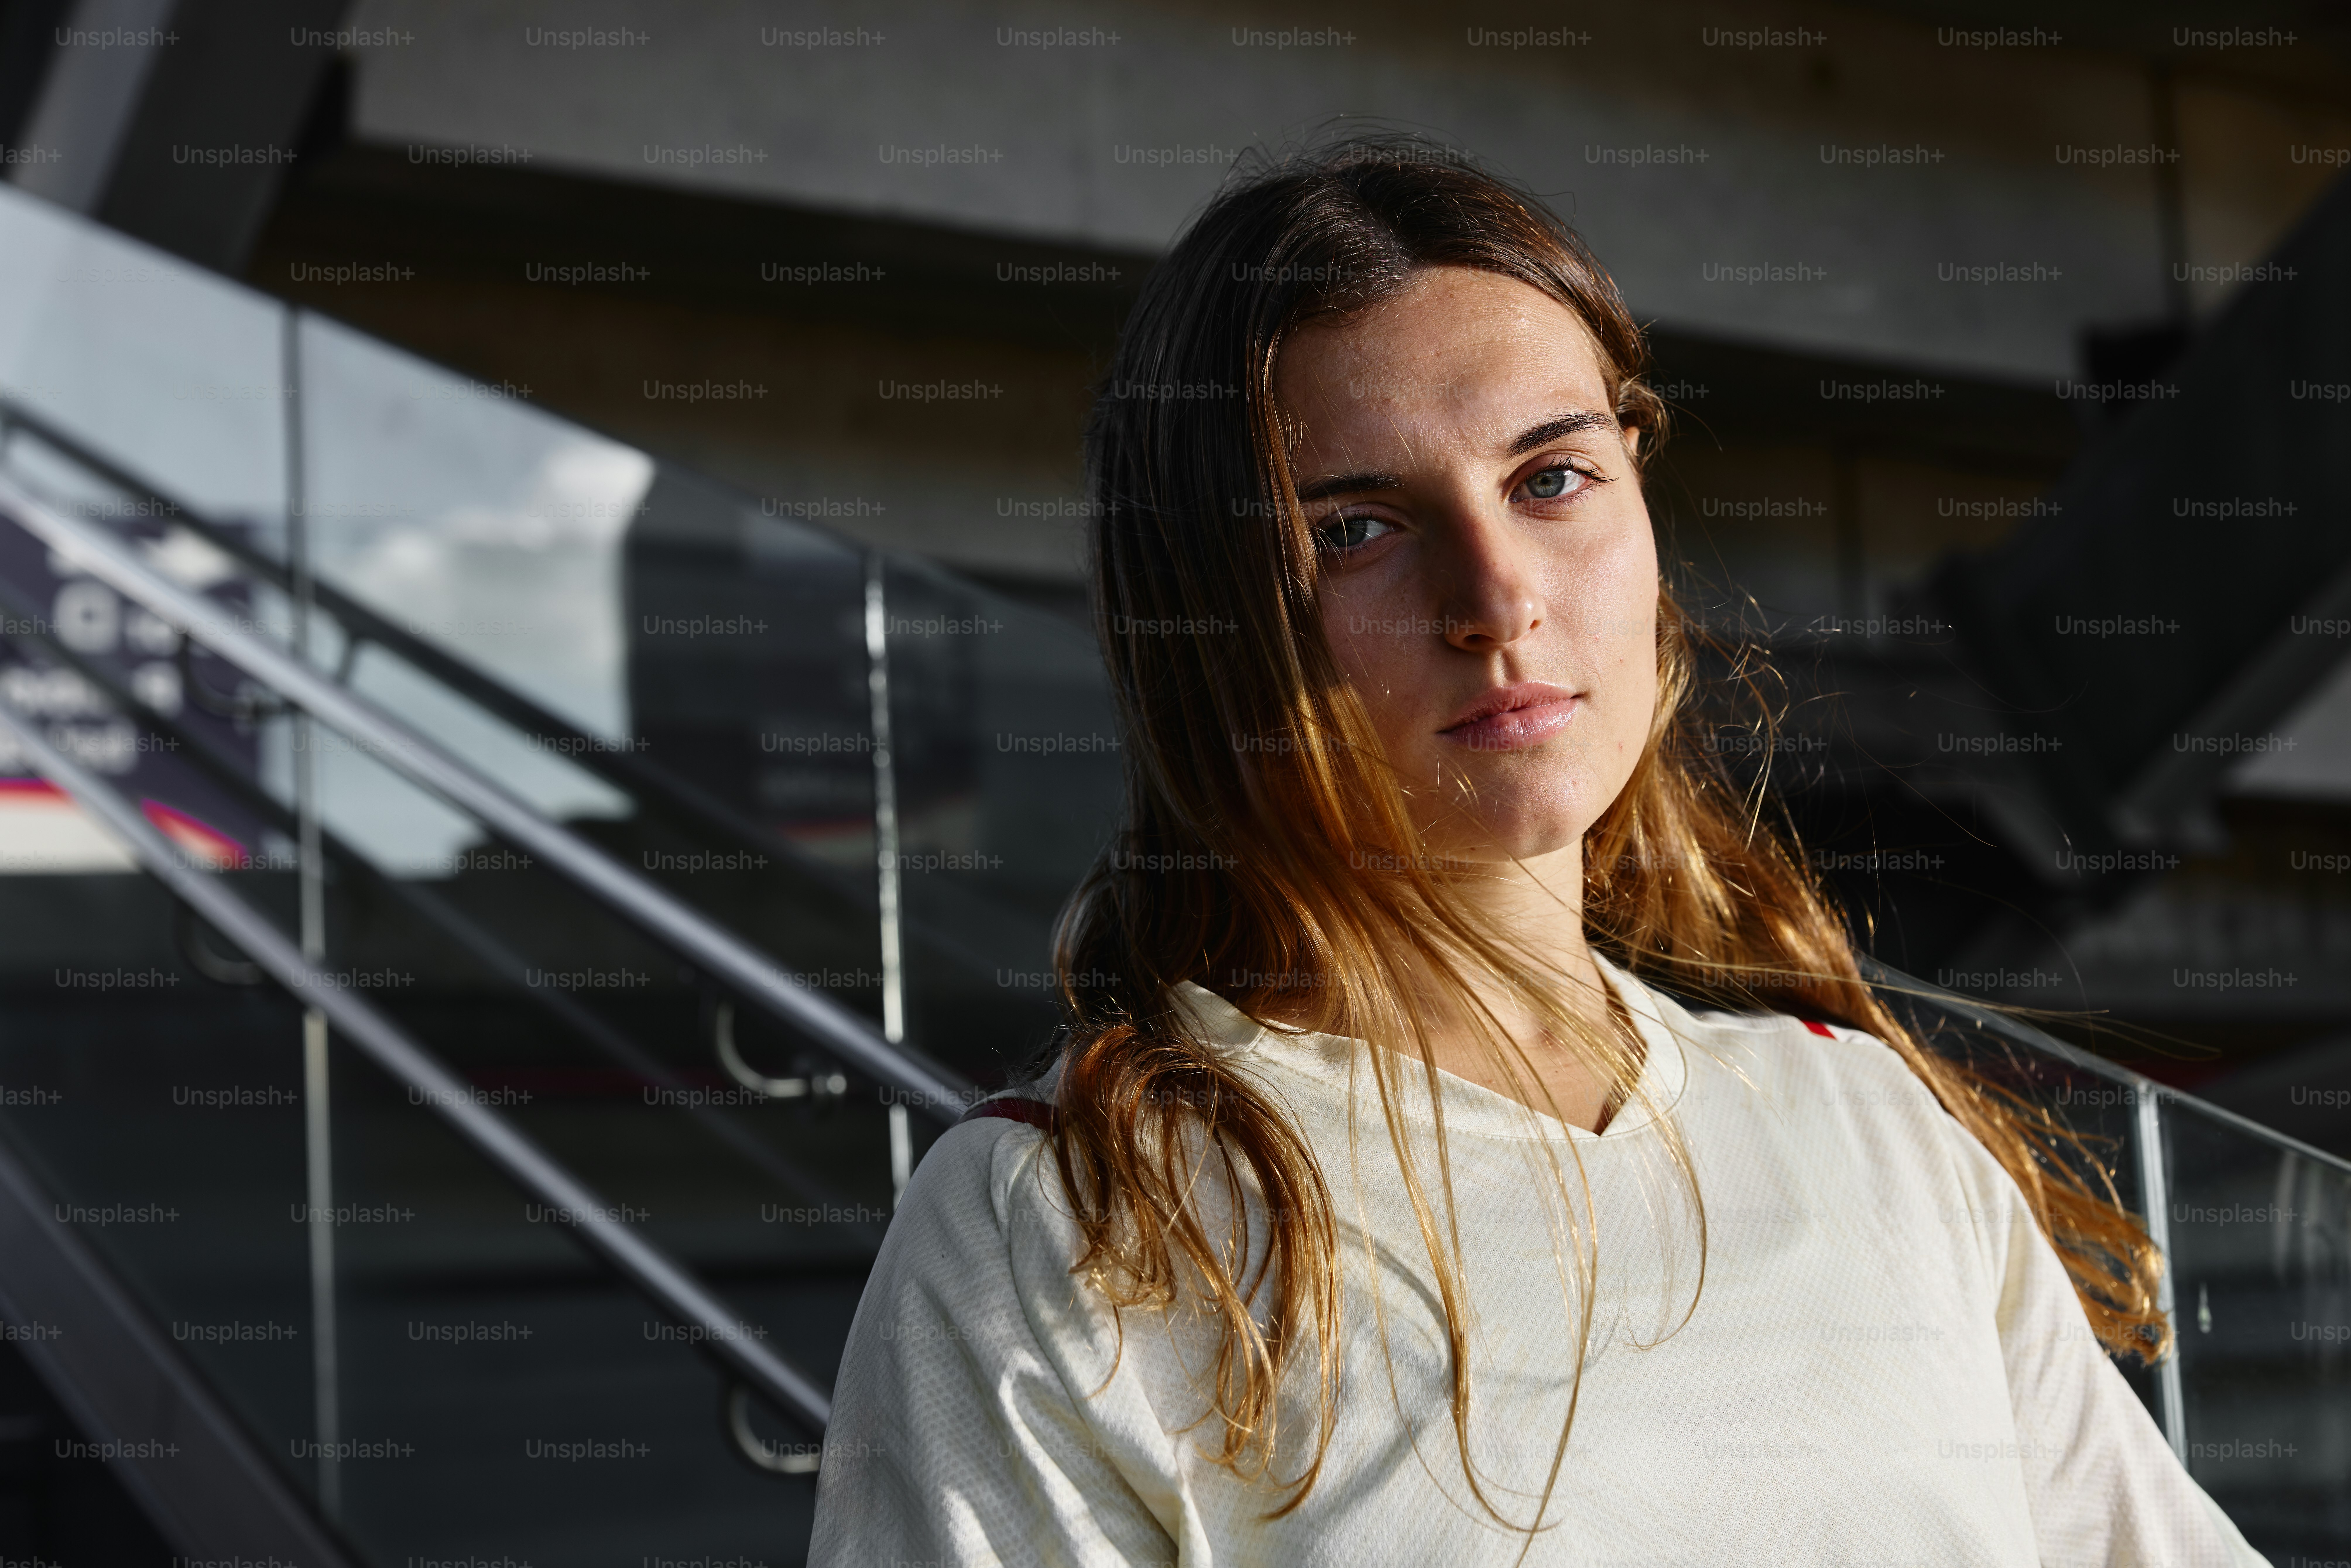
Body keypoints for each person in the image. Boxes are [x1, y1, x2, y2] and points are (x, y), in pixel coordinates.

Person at [808, 135, 2267, 1566]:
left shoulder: (1865, 1113)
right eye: (1360, 528)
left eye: (1551, 478)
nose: (1496, 597)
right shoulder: (1068, 1225)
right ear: (1207, 623)